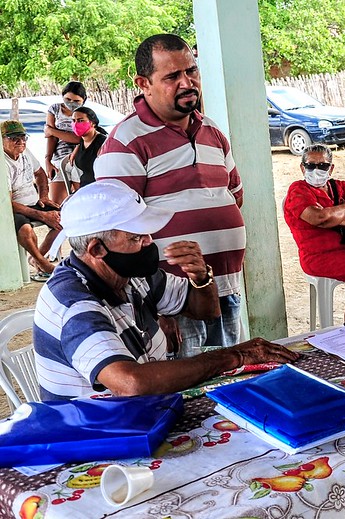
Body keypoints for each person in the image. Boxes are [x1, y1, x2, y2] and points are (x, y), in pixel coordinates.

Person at [32, 180, 299, 401]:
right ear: (96, 250)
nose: (149, 242)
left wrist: (201, 277)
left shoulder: (130, 275)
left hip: (146, 410)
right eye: (136, 237)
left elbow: (206, 310)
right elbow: (130, 384)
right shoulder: (75, 303)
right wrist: (233, 356)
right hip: (94, 433)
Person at [95, 34, 246, 358]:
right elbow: (117, 234)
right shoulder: (126, 142)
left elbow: (234, 194)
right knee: (193, 396)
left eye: (191, 71)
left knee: (231, 380)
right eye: (172, 76)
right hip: (174, 303)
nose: (187, 82)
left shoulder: (213, 132)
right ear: (143, 83)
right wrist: (157, 308)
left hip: (225, 287)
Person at [284, 144, 345, 288]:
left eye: (323, 166)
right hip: (319, 256)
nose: (316, 170)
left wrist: (333, 219)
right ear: (302, 168)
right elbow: (318, 218)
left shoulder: (341, 186)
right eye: (310, 166)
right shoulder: (298, 190)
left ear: (330, 168)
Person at [3, 120, 61, 279]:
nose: (20, 142)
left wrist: (44, 196)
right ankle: (43, 263)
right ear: (2, 140)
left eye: (23, 137)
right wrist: (41, 215)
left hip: (34, 202)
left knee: (65, 218)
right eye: (14, 138)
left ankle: (37, 259)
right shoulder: (3, 163)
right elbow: (7, 203)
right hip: (14, 208)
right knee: (25, 229)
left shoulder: (25, 153)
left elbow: (40, 173)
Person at [44, 81, 86, 203]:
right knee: (57, 204)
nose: (71, 103)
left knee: (82, 201)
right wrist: (48, 160)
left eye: (76, 101)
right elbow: (50, 138)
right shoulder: (55, 109)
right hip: (59, 159)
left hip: (79, 159)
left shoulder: (85, 113)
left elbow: (79, 138)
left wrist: (52, 131)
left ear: (83, 100)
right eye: (68, 99)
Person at [70, 106, 108, 187]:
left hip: (99, 188)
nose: (76, 124)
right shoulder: (82, 141)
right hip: (86, 188)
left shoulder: (102, 143)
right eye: (73, 121)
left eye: (81, 121)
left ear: (92, 123)